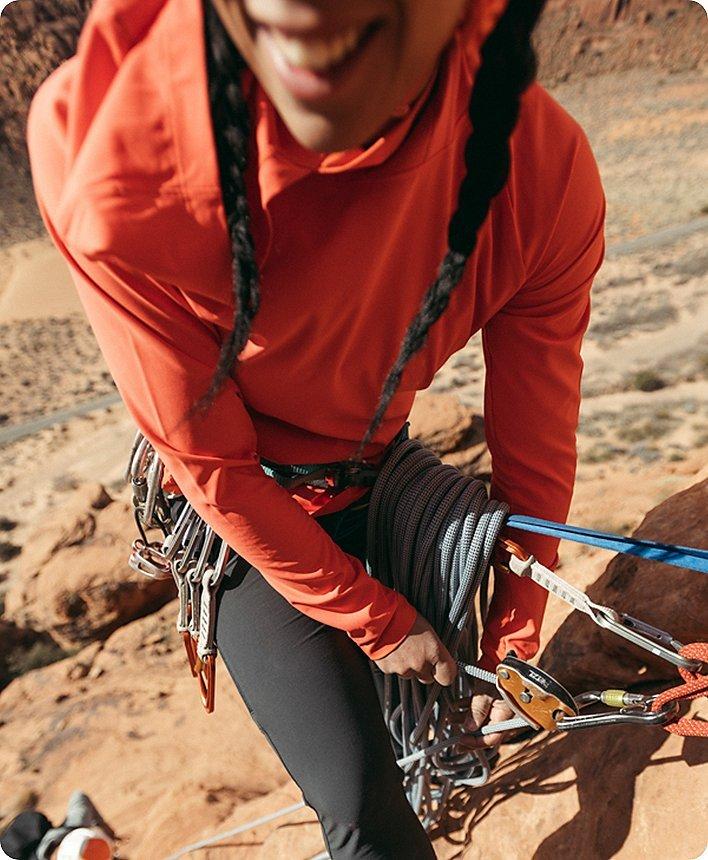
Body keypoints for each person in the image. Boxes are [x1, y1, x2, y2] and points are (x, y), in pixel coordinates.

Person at [26, 0, 606, 855]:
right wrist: (382, 620)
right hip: (250, 520)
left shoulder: (541, 170)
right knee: (362, 805)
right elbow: (215, 469)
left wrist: (513, 634)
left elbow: (536, 433)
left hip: (378, 471)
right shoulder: (111, 155)